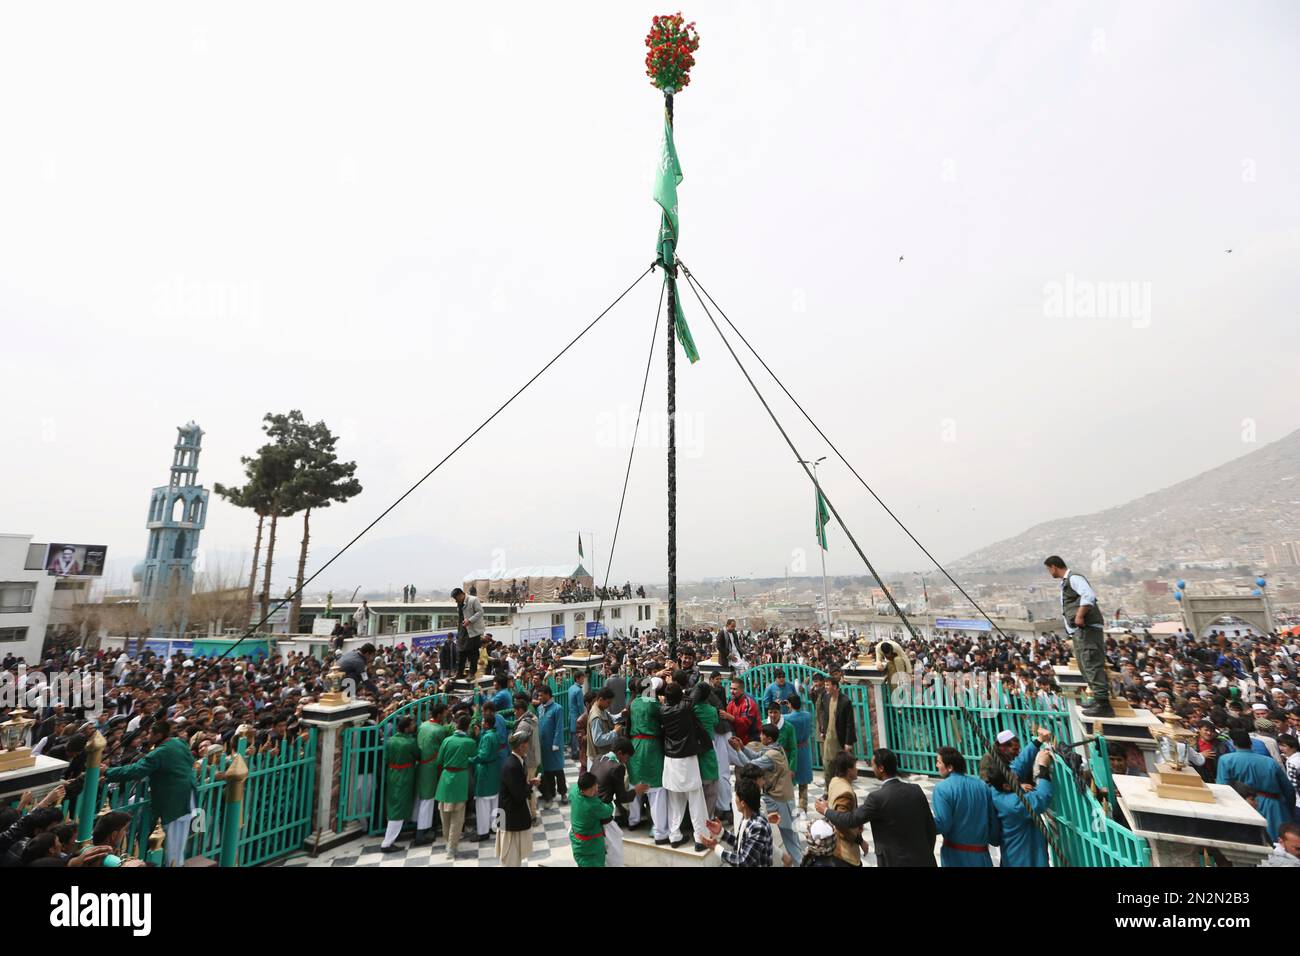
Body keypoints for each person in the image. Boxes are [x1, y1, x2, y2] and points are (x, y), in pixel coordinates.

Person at [817, 747, 937, 867]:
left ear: (881, 768)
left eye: (873, 764)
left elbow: (850, 820)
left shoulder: (877, 798)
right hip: (924, 860)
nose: (872, 768)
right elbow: (931, 828)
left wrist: (826, 811)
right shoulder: (916, 790)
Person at [102, 719, 197, 867]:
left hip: (173, 801)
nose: (147, 737)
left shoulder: (160, 752)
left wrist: (107, 771)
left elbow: (136, 770)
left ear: (158, 735)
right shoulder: (180, 743)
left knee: (173, 843)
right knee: (179, 840)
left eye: (150, 734)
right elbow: (190, 760)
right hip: (187, 796)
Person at [1044, 556, 1111, 717]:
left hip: (1087, 628)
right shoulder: (1066, 583)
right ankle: (1097, 698)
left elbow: (1088, 596)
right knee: (1085, 665)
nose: (1049, 573)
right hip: (1080, 631)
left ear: (1053, 567)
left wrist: (1080, 616)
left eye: (1048, 569)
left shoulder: (1074, 578)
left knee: (1091, 662)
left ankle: (1103, 703)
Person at [730, 722, 802, 865]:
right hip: (782, 797)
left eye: (763, 734)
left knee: (790, 839)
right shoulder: (775, 748)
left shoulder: (771, 756)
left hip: (780, 800)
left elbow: (751, 765)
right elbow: (757, 756)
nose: (760, 736)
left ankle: (801, 862)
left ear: (769, 738)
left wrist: (738, 750)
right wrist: (743, 748)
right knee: (792, 838)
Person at [1216, 729, 1296, 841]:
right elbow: (1289, 790)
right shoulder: (1269, 761)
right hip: (1273, 807)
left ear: (1233, 744)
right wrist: (1287, 809)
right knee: (1277, 845)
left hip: (1242, 805)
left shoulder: (1226, 760)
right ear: (1251, 743)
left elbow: (1222, 788)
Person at [660, 681, 712, 850]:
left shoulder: (663, 710)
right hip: (687, 759)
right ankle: (700, 837)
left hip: (670, 759)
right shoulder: (684, 708)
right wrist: (686, 690)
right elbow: (700, 688)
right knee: (696, 800)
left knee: (674, 800)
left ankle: (674, 836)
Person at [988, 744, 1054, 866]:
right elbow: (1043, 797)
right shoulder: (1014, 804)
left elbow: (1019, 766)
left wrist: (1036, 743)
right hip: (1023, 858)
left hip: (1012, 853)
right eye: (1013, 776)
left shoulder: (996, 790)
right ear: (1007, 786)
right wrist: (1043, 768)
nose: (1016, 775)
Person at [933, 746, 1000, 867]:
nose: (937, 765)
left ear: (950, 767)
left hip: (955, 857)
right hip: (982, 856)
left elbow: (943, 825)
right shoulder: (982, 786)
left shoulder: (942, 789)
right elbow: (993, 822)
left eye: (939, 762)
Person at [591, 738, 649, 867]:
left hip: (590, 809)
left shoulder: (598, 758)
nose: (626, 761)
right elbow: (622, 798)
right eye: (627, 758)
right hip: (601, 815)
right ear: (619, 753)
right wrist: (637, 791)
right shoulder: (617, 767)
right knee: (615, 850)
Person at [628, 676, 668, 842]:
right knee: (657, 790)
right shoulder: (654, 704)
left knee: (634, 784)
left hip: (635, 745)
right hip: (651, 747)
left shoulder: (633, 703)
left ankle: (633, 820)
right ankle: (659, 831)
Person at [700, 778, 771, 867]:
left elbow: (742, 862)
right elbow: (742, 843)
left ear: (743, 803)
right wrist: (721, 832)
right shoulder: (747, 817)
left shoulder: (758, 827)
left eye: (736, 796)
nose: (734, 799)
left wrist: (715, 847)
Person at [434, 714, 477, 858]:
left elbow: (439, 760)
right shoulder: (469, 742)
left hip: (445, 779)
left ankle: (449, 844)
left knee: (444, 815)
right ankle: (451, 847)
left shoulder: (446, 740)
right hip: (460, 779)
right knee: (457, 818)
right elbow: (474, 757)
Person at [497, 729, 539, 867]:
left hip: (511, 816)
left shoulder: (517, 761)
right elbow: (519, 795)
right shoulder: (512, 765)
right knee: (510, 858)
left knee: (515, 858)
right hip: (510, 817)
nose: (528, 745)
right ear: (521, 746)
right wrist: (530, 786)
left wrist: (529, 783)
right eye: (527, 743)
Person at [380, 715, 419, 853]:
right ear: (407, 728)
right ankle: (387, 842)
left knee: (394, 804)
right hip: (405, 775)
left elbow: (386, 758)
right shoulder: (410, 742)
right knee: (399, 808)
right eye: (412, 724)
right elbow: (418, 755)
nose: (415, 726)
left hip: (392, 774)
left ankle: (392, 836)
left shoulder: (390, 740)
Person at [414, 705, 452, 845]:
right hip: (430, 766)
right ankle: (421, 833)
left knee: (421, 798)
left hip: (420, 764)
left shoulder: (423, 725)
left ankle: (420, 827)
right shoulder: (440, 730)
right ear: (440, 714)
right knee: (428, 799)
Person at [822, 750, 864, 866]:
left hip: (836, 848)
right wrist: (860, 841)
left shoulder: (835, 781)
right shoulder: (846, 792)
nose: (857, 769)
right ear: (849, 770)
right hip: (845, 853)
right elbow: (841, 822)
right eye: (855, 767)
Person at [469, 704, 503, 842]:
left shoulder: (488, 737)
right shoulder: (493, 734)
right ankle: (494, 827)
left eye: (483, 721)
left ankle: (483, 832)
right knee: (494, 801)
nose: (481, 723)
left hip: (485, 771)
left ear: (487, 724)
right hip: (494, 769)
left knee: (482, 804)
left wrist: (470, 760)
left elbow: (482, 755)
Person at [817, 673, 856, 789]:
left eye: (828, 685)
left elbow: (850, 723)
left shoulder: (845, 701)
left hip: (841, 739)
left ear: (835, 686)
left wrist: (848, 742)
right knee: (828, 765)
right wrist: (823, 731)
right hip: (829, 738)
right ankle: (828, 791)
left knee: (843, 769)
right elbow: (825, 716)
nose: (826, 687)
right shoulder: (826, 697)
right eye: (825, 685)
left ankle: (844, 790)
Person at [568, 771, 614, 867]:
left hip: (577, 841)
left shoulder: (574, 790)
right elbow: (608, 811)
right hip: (591, 845)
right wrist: (609, 802)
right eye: (592, 790)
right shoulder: (592, 805)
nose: (595, 791)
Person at [536, 684, 567, 805]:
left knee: (558, 770)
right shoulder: (540, 708)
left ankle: (563, 793)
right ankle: (550, 793)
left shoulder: (557, 708)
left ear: (548, 695)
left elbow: (559, 728)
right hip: (543, 746)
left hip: (554, 746)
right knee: (547, 771)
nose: (539, 697)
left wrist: (556, 743)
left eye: (541, 695)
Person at [785, 694, 814, 812]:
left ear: (790, 704)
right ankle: (803, 807)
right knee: (803, 781)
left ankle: (790, 806)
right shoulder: (807, 715)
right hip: (804, 749)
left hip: (792, 751)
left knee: (789, 780)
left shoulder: (786, 718)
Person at [452, 587, 484, 679]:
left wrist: (470, 620)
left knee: (473, 653)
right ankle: (459, 673)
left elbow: (480, 612)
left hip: (473, 631)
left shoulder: (473, 600)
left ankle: (471, 673)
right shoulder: (459, 603)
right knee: (461, 652)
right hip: (463, 630)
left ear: (461, 595)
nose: (456, 601)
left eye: (456, 598)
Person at [586, 687, 619, 766]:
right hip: (596, 759)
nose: (609, 705)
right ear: (600, 699)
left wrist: (621, 715)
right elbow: (598, 740)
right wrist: (614, 733)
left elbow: (610, 718)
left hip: (600, 757)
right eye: (608, 702)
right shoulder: (596, 716)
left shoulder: (601, 709)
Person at [725, 678, 761, 746]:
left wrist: (730, 717)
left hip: (752, 741)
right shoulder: (730, 704)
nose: (731, 691)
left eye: (735, 689)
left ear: (742, 690)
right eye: (731, 688)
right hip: (738, 741)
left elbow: (745, 725)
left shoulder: (749, 703)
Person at [566, 671, 587, 760]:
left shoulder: (571, 688)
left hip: (571, 714)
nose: (583, 680)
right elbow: (580, 705)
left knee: (572, 733)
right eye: (582, 678)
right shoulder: (578, 690)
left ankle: (574, 751)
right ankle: (576, 752)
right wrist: (583, 715)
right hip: (577, 715)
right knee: (576, 734)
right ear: (577, 679)